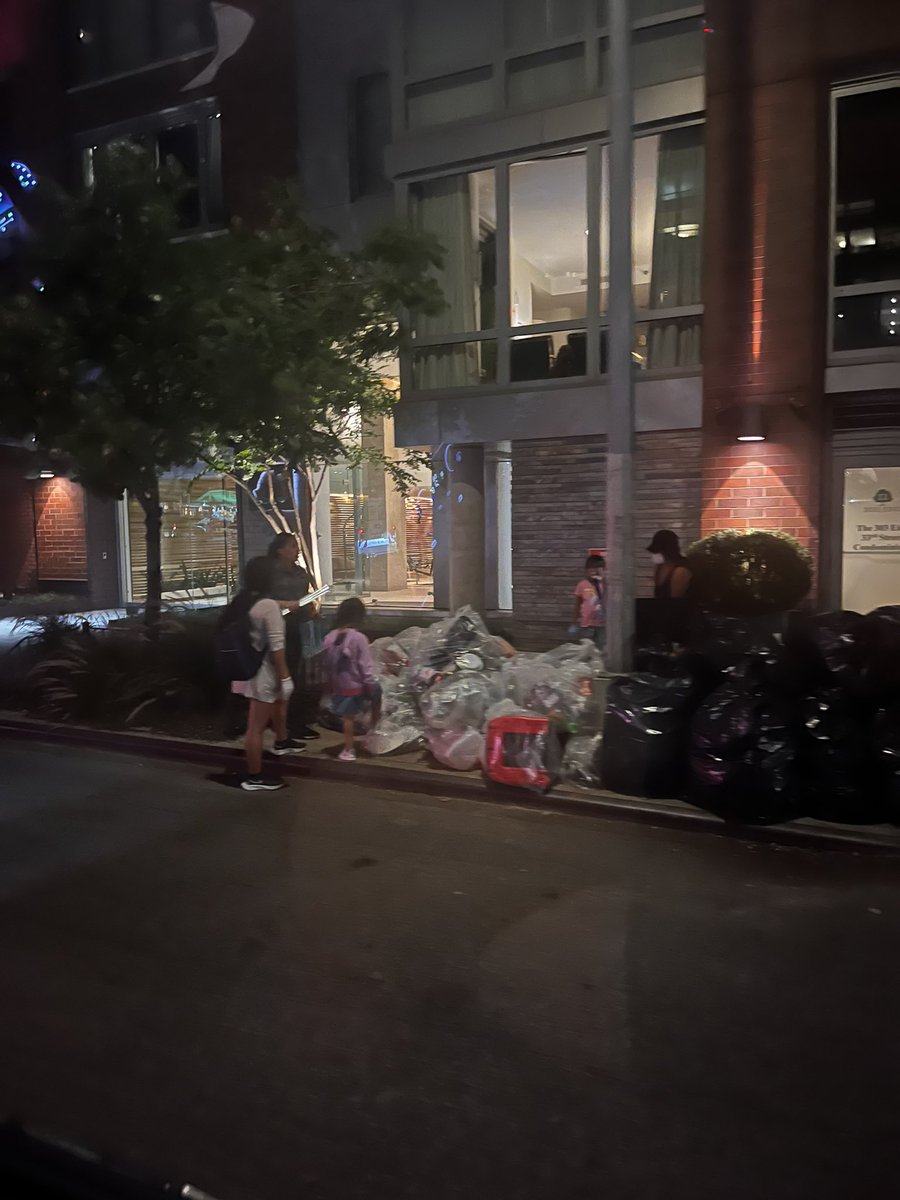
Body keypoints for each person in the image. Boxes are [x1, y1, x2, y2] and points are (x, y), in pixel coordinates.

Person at [226, 556, 307, 792]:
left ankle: (270, 756)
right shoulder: (268, 606)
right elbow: (276, 646)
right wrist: (285, 677)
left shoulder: (243, 601)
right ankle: (254, 777)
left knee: (256, 724)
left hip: (247, 667)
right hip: (262, 672)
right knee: (256, 728)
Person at [268, 532, 320, 741]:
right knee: (280, 675)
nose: (296, 549)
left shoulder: (300, 573)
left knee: (298, 676)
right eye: (291, 546)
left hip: (298, 627)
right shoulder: (269, 573)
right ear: (280, 550)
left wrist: (311, 607)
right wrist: (285, 605)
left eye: (296, 545)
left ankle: (295, 722)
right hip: (275, 627)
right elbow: (262, 600)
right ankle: (279, 723)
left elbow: (304, 597)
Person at [322, 597, 381, 763]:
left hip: (338, 685)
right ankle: (353, 746)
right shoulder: (358, 638)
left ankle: (353, 745)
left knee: (347, 718)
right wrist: (370, 684)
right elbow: (365, 666)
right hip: (356, 686)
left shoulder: (330, 637)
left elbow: (326, 662)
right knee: (359, 712)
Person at [647, 529, 692, 646]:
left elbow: (674, 605)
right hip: (663, 623)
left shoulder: (680, 570)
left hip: (681, 626)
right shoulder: (659, 567)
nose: (654, 555)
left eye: (657, 552)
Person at [569, 554, 606, 649]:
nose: (593, 572)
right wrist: (573, 623)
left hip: (603, 625)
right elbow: (577, 605)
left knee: (601, 650)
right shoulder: (582, 585)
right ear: (586, 570)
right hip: (586, 625)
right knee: (587, 650)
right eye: (591, 569)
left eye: (597, 569)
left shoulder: (606, 585)